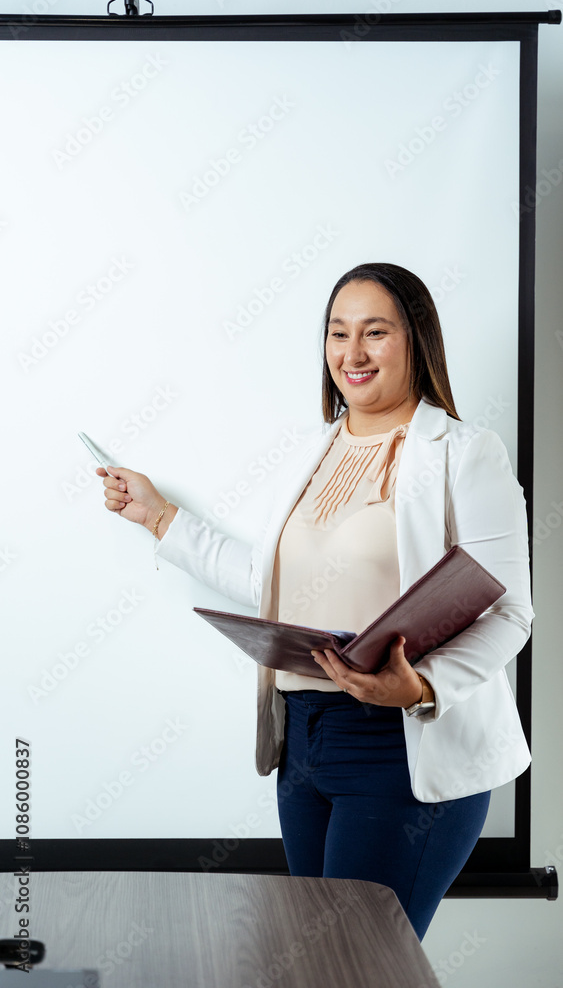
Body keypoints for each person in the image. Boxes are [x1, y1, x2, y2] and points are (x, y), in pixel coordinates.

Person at [96, 262, 533, 940]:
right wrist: (160, 519)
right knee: (319, 965)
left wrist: (419, 687)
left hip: (398, 748)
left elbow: (509, 613)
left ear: (416, 340)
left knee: (356, 967)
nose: (351, 355)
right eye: (337, 333)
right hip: (301, 743)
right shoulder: (312, 449)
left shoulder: (465, 453)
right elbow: (270, 583)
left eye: (374, 332)